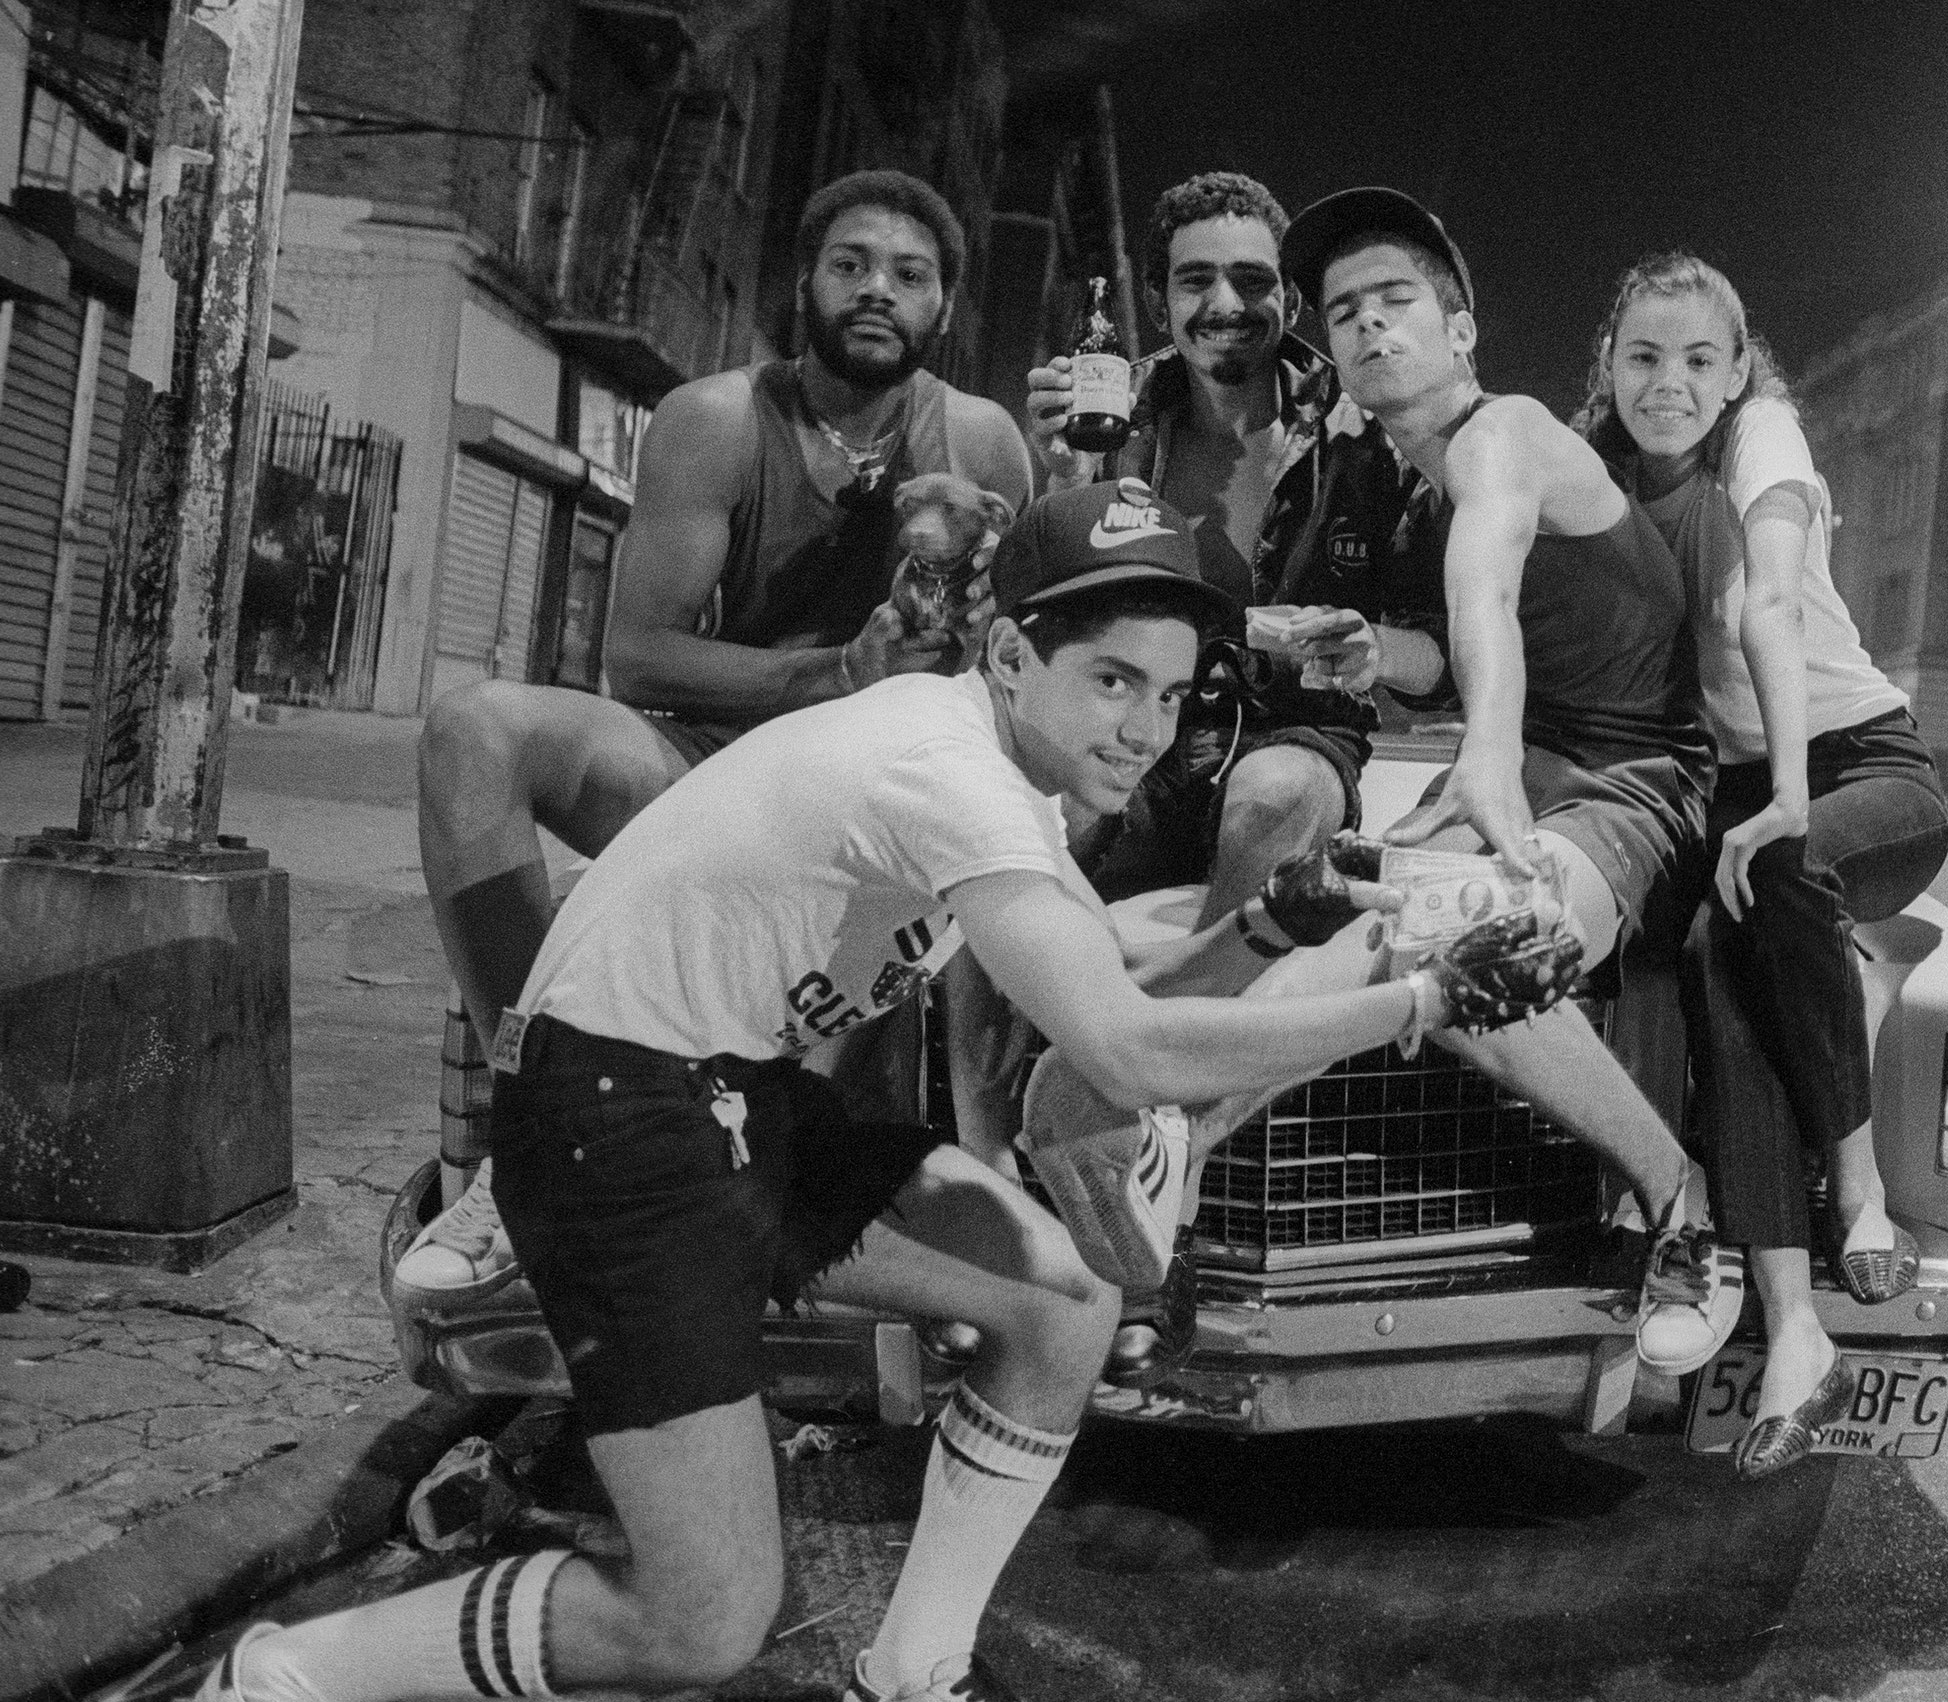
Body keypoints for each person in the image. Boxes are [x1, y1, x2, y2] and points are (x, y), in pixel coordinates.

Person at [193, 479, 1575, 1702]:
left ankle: (912, 1671)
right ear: (1008, 650)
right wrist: (1428, 1000)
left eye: (1171, 692)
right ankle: (290, 1673)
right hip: (615, 1116)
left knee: (1060, 1298)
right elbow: (1129, 1051)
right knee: (698, 1622)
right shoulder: (946, 770)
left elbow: (1114, 975)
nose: (1146, 728)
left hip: (736, 1094)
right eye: (1110, 679)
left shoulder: (1003, 786)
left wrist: (1282, 918)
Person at [1100, 186, 1745, 1376]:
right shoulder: (1402, 481)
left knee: (1452, 934)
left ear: (1460, 333)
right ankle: (1175, 1160)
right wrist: (1395, 673)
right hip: (1531, 761)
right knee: (1362, 931)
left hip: (1626, 780)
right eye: (1343, 311)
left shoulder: (1500, 434)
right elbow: (1435, 645)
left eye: (1397, 301)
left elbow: (1487, 593)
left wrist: (1486, 755)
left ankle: (1679, 1207)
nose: (1368, 325)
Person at [396, 169, 1036, 1307]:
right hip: (716, 771)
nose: (876, 290)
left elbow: (1031, 671)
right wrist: (833, 671)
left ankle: (979, 1195)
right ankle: (534, 1123)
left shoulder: (983, 444)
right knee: (472, 729)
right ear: (805, 283)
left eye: (909, 273)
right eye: (850, 264)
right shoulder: (720, 419)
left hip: (894, 815)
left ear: (944, 307)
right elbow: (638, 656)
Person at [1576, 252, 1948, 1478]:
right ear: (1610, 367)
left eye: (1697, 358)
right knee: (1705, 957)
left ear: (1737, 370)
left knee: (1781, 870)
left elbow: (1768, 603)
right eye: (1643, 356)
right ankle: (1793, 1330)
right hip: (1735, 784)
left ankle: (1858, 1184)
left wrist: (1789, 792)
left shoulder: (1766, 440)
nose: (1668, 382)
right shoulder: (1606, 484)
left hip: (1863, 767)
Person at [1021, 171, 1448, 918]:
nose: (1226, 304)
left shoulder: (1366, 435)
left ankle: (1201, 1021)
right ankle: (1049, 1026)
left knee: (1272, 795)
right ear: (1160, 302)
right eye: (1197, 281)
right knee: (1021, 816)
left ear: (1289, 296)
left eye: (1252, 281)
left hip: (1300, 735)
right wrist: (1067, 474)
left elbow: (1441, 659)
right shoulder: (1112, 414)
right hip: (1132, 723)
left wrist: (1373, 646)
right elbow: (1047, 612)